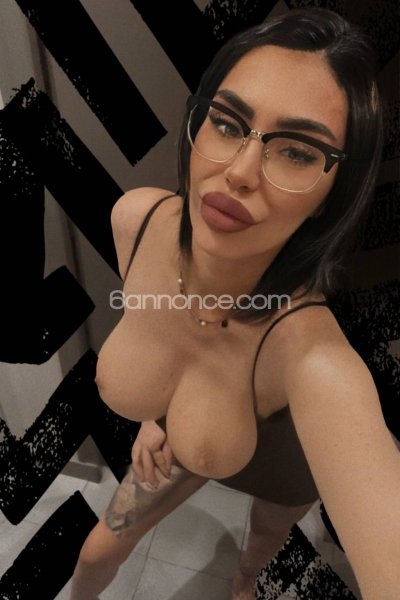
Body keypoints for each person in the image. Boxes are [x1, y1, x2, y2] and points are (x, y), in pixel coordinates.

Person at [70, 7, 400, 600]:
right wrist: (153, 418)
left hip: (283, 462)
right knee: (96, 551)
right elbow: (155, 326)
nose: (240, 172)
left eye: (297, 152)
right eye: (226, 122)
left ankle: (246, 578)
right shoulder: (137, 220)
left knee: (260, 546)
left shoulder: (313, 358)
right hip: (190, 434)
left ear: (333, 194)